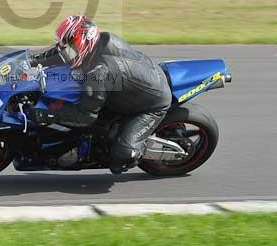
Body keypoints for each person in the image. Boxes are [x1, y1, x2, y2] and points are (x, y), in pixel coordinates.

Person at [27, 15, 172, 174]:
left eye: (71, 47)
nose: (66, 51)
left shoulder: (99, 73)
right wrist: (31, 60)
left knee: (121, 156)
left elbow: (86, 117)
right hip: (134, 84)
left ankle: (138, 150)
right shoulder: (100, 41)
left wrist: (45, 115)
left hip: (152, 103)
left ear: (84, 43)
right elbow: (62, 51)